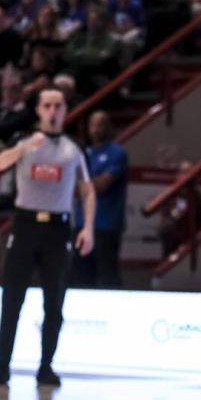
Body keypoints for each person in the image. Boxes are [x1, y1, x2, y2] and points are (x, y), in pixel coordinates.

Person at [0, 87, 95, 388]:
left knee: (54, 301)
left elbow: (87, 190)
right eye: (47, 105)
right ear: (38, 109)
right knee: (12, 299)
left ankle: (46, 366)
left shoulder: (73, 149)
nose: (52, 111)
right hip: (25, 225)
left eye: (58, 105)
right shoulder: (24, 143)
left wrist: (88, 228)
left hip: (58, 228)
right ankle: (2, 365)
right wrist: (23, 150)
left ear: (64, 110)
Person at [71, 111, 127, 288]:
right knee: (79, 276)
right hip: (81, 224)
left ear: (109, 127)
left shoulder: (117, 153)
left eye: (101, 124)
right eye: (93, 125)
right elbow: (72, 189)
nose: (96, 129)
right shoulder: (84, 154)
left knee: (108, 275)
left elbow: (102, 184)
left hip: (106, 224)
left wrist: (83, 185)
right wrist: (84, 186)